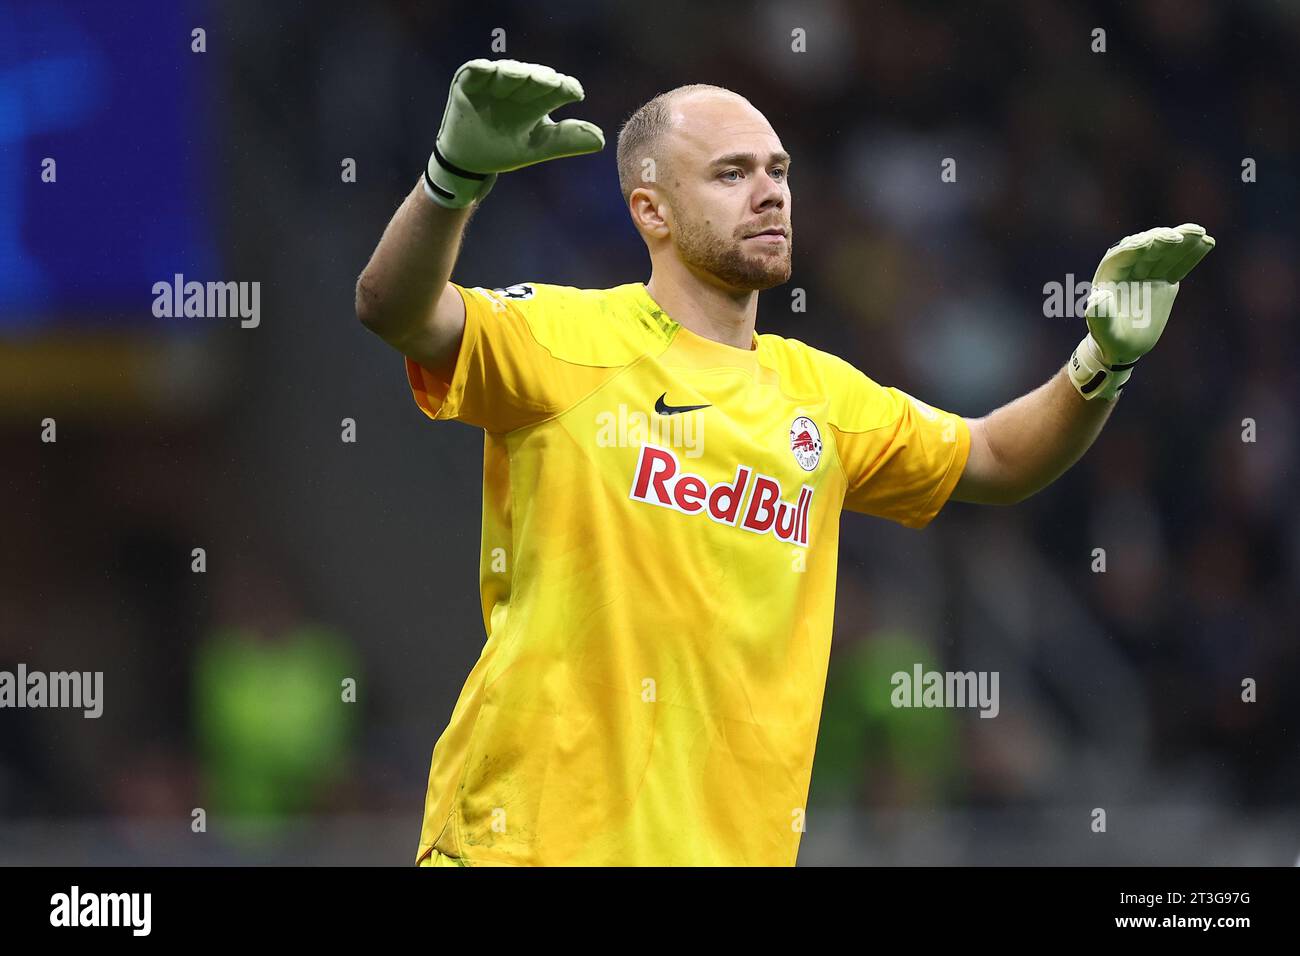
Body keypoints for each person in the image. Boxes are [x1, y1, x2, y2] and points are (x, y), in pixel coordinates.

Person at [355, 59, 1214, 866]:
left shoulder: (820, 396)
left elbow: (994, 457)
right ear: (651, 211)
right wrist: (449, 180)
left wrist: (1100, 361)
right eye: (731, 174)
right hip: (530, 844)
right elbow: (395, 311)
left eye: (778, 170)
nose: (769, 193)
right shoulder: (564, 338)